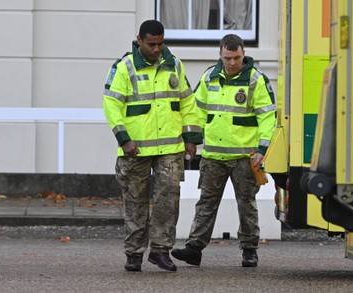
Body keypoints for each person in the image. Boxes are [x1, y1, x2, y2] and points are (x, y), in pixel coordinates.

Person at [103, 19, 202, 272]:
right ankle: (134, 253)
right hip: (134, 149)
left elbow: (188, 104)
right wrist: (123, 138)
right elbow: (111, 104)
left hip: (170, 147)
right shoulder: (124, 67)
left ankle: (160, 250)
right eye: (151, 44)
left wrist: (191, 139)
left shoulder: (174, 65)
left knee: (168, 200)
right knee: (135, 201)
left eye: (160, 44)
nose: (157, 49)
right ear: (139, 41)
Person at [171, 34, 276, 267]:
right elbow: (196, 111)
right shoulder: (209, 77)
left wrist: (263, 149)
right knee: (206, 203)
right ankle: (194, 249)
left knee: (246, 204)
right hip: (213, 155)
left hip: (244, 156)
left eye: (237, 57)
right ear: (220, 54)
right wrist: (190, 139)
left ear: (244, 54)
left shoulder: (255, 80)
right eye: (228, 57)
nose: (232, 62)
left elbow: (268, 117)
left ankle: (250, 250)